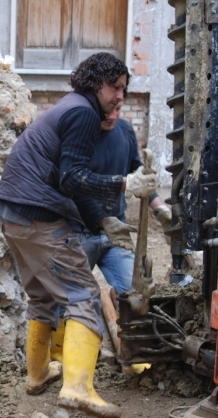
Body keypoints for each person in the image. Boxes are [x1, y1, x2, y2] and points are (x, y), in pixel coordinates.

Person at [0, 53, 158, 418]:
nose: (120, 96)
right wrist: (126, 183)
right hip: (38, 215)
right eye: (115, 87)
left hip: (12, 212)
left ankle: (37, 373)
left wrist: (101, 221)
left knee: (41, 295)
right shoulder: (84, 113)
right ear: (96, 83)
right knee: (83, 295)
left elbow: (70, 178)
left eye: (124, 89)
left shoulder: (69, 107)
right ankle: (78, 388)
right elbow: (74, 178)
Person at [74, 103, 173, 297]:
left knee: (135, 295)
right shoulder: (79, 134)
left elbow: (138, 176)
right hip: (80, 232)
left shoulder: (125, 130)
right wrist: (102, 220)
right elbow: (74, 185)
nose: (112, 115)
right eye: (107, 110)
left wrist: (160, 209)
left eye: (117, 109)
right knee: (75, 300)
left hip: (117, 232)